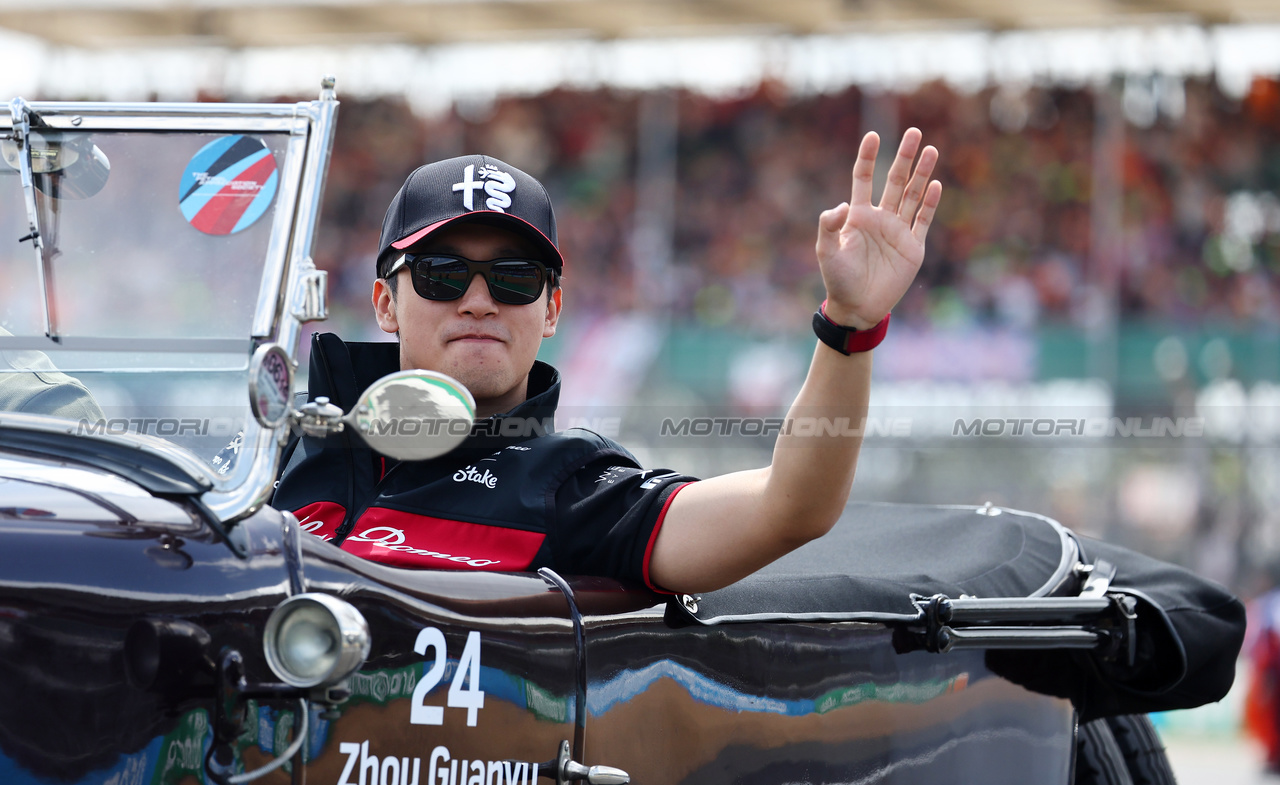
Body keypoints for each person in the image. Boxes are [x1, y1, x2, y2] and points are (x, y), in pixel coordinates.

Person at [272, 130, 941, 594]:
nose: (478, 302)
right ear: (385, 303)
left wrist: (850, 326)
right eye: (444, 275)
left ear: (552, 310)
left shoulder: (571, 488)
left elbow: (790, 507)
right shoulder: (279, 456)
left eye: (513, 279)